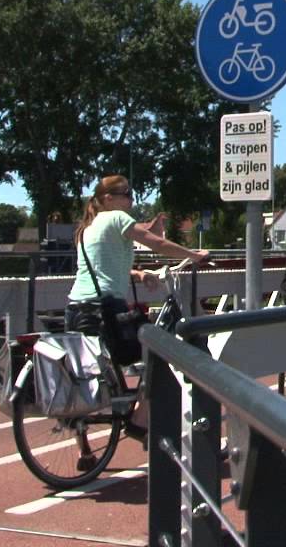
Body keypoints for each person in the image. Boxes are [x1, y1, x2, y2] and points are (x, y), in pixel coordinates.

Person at [66, 175, 209, 438]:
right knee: (159, 349)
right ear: (108, 199)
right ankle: (140, 422)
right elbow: (156, 243)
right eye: (126, 193)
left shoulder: (86, 229)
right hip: (105, 310)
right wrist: (194, 255)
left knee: (83, 372)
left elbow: (98, 269)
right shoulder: (117, 218)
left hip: (77, 308)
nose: (131, 199)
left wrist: (138, 273)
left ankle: (83, 446)